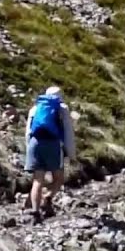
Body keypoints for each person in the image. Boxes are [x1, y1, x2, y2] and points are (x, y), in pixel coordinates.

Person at [25, 86, 76, 224]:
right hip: (52, 145)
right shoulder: (61, 108)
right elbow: (68, 132)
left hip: (34, 144)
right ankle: (47, 198)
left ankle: (35, 213)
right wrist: (71, 154)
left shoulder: (35, 108)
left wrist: (29, 149)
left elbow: (28, 132)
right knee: (59, 178)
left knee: (37, 181)